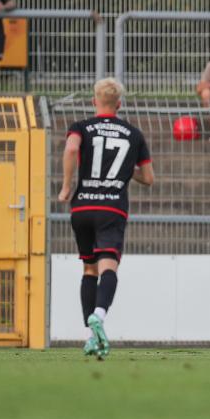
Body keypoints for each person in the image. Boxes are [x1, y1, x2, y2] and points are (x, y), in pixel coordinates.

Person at [58, 78, 154, 359]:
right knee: (108, 267)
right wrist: (125, 169)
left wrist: (66, 186)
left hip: (83, 207)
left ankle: (91, 336)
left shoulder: (81, 127)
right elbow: (148, 178)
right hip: (111, 209)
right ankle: (98, 315)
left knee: (89, 269)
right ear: (119, 104)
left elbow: (71, 148)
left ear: (94, 101)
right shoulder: (133, 134)